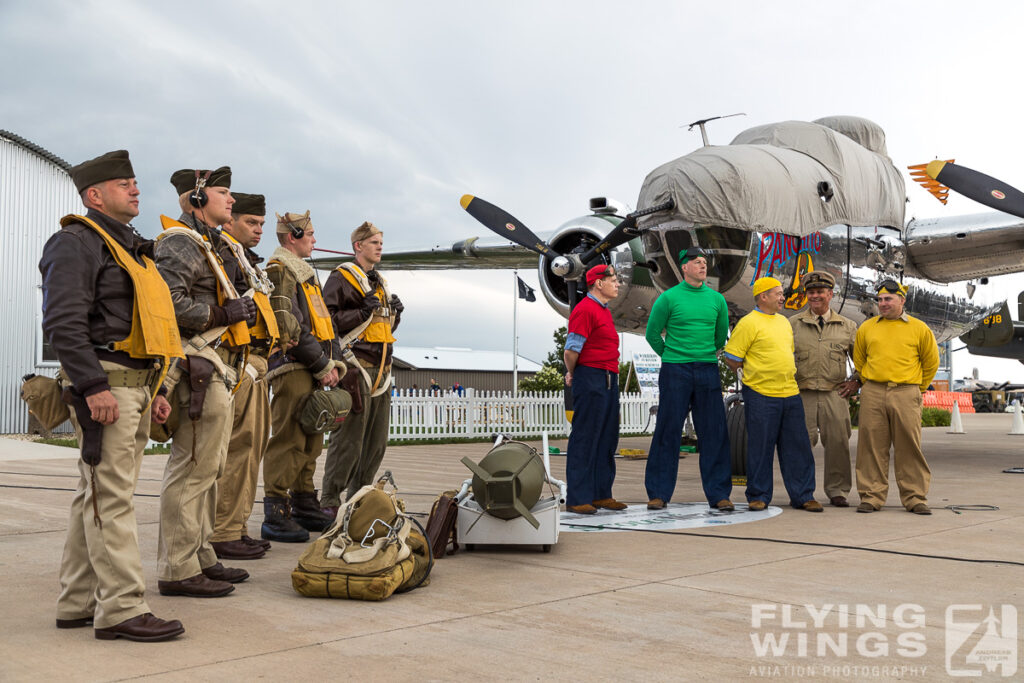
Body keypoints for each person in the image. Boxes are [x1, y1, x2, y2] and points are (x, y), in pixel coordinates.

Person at [41, 150, 184, 640]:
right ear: (94, 195)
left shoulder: (130, 247)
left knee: (93, 496)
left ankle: (76, 602)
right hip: (107, 387)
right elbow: (63, 323)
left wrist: (156, 386)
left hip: (135, 386)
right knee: (112, 499)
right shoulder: (75, 243)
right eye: (124, 183)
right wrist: (92, 385)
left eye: (135, 181)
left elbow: (147, 325)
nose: (136, 189)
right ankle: (121, 608)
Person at [154, 166, 256, 597]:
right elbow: (168, 302)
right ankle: (177, 568)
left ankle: (199, 553)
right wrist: (221, 315)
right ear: (196, 199)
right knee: (192, 468)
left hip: (218, 366)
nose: (231, 201)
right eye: (223, 193)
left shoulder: (211, 244)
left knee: (209, 468)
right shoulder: (181, 242)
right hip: (198, 365)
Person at [261, 210, 342, 541]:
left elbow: (324, 325)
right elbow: (289, 326)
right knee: (289, 439)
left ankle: (305, 503)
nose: (315, 240)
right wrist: (323, 364)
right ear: (292, 236)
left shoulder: (306, 275)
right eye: (310, 234)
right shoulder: (280, 271)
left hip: (313, 366)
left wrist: (334, 363)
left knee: (311, 439)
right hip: (294, 366)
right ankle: (275, 512)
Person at [209, 192, 279, 560]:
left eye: (262, 224)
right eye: (251, 222)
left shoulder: (245, 261)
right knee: (234, 450)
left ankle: (235, 525)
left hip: (255, 364)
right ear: (231, 220)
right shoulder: (221, 254)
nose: (258, 230)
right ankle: (223, 529)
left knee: (251, 449)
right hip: (238, 364)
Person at [321, 221, 403, 515]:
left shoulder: (379, 282)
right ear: (358, 246)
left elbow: (382, 329)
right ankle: (330, 501)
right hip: (357, 366)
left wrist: (395, 314)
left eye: (381, 242)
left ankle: (359, 497)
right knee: (349, 441)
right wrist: (362, 311)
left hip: (382, 369)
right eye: (374, 243)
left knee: (376, 442)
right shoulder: (342, 278)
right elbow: (326, 321)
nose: (380, 247)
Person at [643, 247, 732, 511]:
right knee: (668, 431)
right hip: (675, 370)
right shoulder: (668, 298)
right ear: (684, 268)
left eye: (704, 262)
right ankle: (658, 494)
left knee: (714, 432)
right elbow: (652, 334)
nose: (703, 266)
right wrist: (671, 355)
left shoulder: (717, 300)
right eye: (696, 262)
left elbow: (719, 337)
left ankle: (719, 495)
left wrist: (703, 354)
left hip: (707, 368)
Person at [723, 277, 823, 512]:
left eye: (782, 293)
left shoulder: (784, 322)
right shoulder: (748, 323)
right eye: (777, 293)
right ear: (763, 297)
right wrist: (751, 378)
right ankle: (758, 495)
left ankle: (803, 495)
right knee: (760, 447)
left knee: (797, 447)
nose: (782, 298)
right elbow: (732, 357)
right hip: (760, 394)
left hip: (790, 392)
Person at [853, 280, 939, 514]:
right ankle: (871, 496)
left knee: (909, 446)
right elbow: (859, 360)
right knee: (870, 446)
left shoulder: (919, 328)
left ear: (902, 300)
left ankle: (915, 498)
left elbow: (931, 363)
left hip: (906, 391)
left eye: (888, 299)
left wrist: (916, 388)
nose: (882, 303)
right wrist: (869, 381)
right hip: (873, 390)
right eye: (879, 300)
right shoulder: (867, 328)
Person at [790, 271, 860, 507]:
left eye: (820, 292)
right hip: (802, 394)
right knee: (800, 445)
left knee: (839, 443)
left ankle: (837, 490)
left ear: (830, 294)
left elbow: (863, 360)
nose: (815, 296)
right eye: (811, 292)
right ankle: (802, 492)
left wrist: (855, 381)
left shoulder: (848, 327)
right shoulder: (793, 325)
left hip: (835, 394)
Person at [563, 264, 627, 514]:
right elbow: (571, 349)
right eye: (613, 279)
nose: (618, 283)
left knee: (607, 437)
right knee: (586, 437)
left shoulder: (603, 310)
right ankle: (579, 497)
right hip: (592, 376)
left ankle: (602, 494)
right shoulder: (585, 309)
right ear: (598, 283)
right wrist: (573, 372)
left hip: (609, 376)